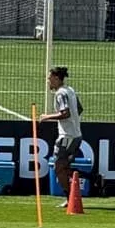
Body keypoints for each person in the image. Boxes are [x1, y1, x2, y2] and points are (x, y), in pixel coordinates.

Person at [38, 67, 83, 209]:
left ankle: (69, 198)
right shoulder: (70, 90)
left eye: (49, 78)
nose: (48, 81)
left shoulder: (61, 93)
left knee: (58, 168)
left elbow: (65, 113)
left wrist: (47, 117)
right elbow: (79, 109)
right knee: (64, 167)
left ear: (57, 78)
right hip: (76, 134)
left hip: (67, 136)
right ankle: (89, 181)